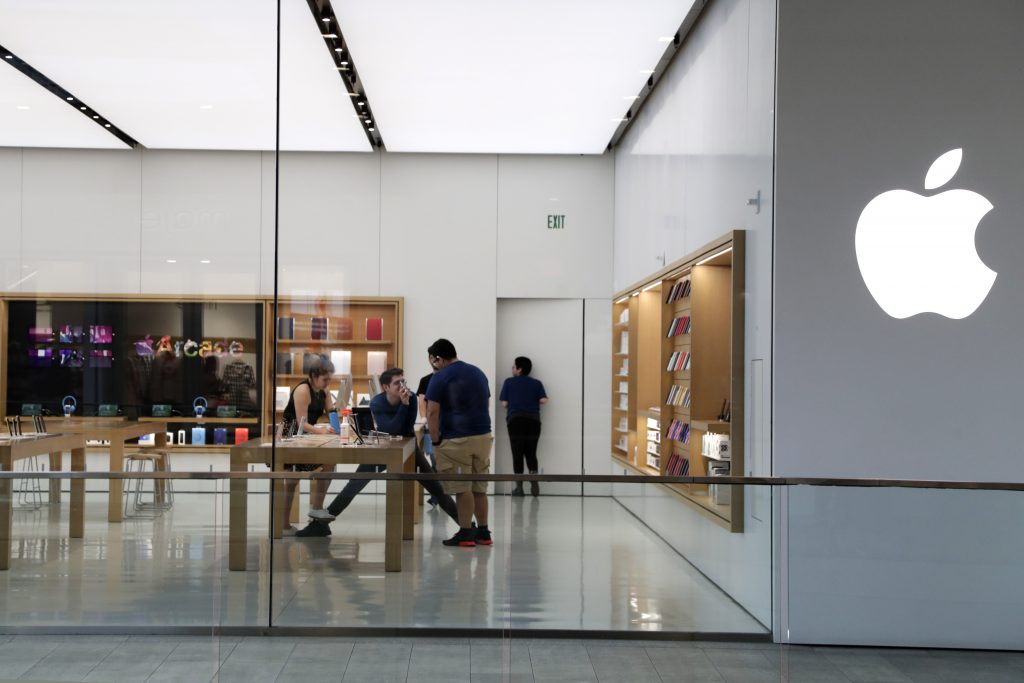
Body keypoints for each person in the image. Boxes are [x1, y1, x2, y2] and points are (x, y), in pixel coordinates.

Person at [299, 367, 460, 537]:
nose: (402, 386)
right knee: (354, 484)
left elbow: (404, 428)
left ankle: (466, 527)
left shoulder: (411, 398)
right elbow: (390, 428)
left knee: (436, 488)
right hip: (385, 450)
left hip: (410, 449)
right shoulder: (377, 402)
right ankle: (321, 525)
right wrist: (403, 407)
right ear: (386, 387)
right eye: (397, 383)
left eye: (403, 381)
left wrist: (405, 405)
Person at [425, 339, 494, 548]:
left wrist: (435, 440)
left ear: (438, 359)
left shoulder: (439, 377)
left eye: (432, 360)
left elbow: (432, 412)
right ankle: (483, 532)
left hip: (456, 438)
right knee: (479, 486)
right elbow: (485, 402)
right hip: (483, 436)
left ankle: (465, 534)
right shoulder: (477, 372)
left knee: (462, 488)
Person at [280, 358, 336, 535]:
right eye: (325, 379)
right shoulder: (303, 390)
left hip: (308, 435)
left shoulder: (323, 391)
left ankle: (317, 507)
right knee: (291, 480)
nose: (328, 383)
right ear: (313, 376)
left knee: (330, 462)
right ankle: (283, 525)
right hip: (291, 434)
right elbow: (300, 423)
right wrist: (323, 432)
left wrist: (337, 426)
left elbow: (332, 412)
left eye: (329, 379)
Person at [499, 356, 548, 497]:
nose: (512, 369)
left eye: (514, 367)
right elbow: (544, 400)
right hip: (534, 421)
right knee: (531, 452)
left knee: (517, 452)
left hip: (515, 421)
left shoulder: (509, 382)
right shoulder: (536, 383)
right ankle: (534, 480)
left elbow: (504, 403)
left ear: (519, 369)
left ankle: (519, 488)